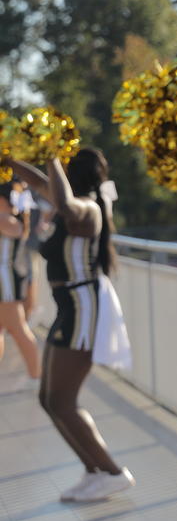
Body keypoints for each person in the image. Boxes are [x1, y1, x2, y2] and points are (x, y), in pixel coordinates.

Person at [5, 149, 135, 502]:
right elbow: (37, 182)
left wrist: (51, 155)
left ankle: (111, 472)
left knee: (64, 401)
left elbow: (59, 197)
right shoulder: (73, 201)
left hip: (82, 308)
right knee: (50, 399)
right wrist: (9, 161)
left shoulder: (88, 208)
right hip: (69, 308)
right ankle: (95, 471)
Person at [0, 181, 40, 385]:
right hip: (4, 282)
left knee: (18, 330)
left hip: (5, 283)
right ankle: (36, 377)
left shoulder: (9, 221)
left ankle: (36, 377)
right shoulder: (10, 220)